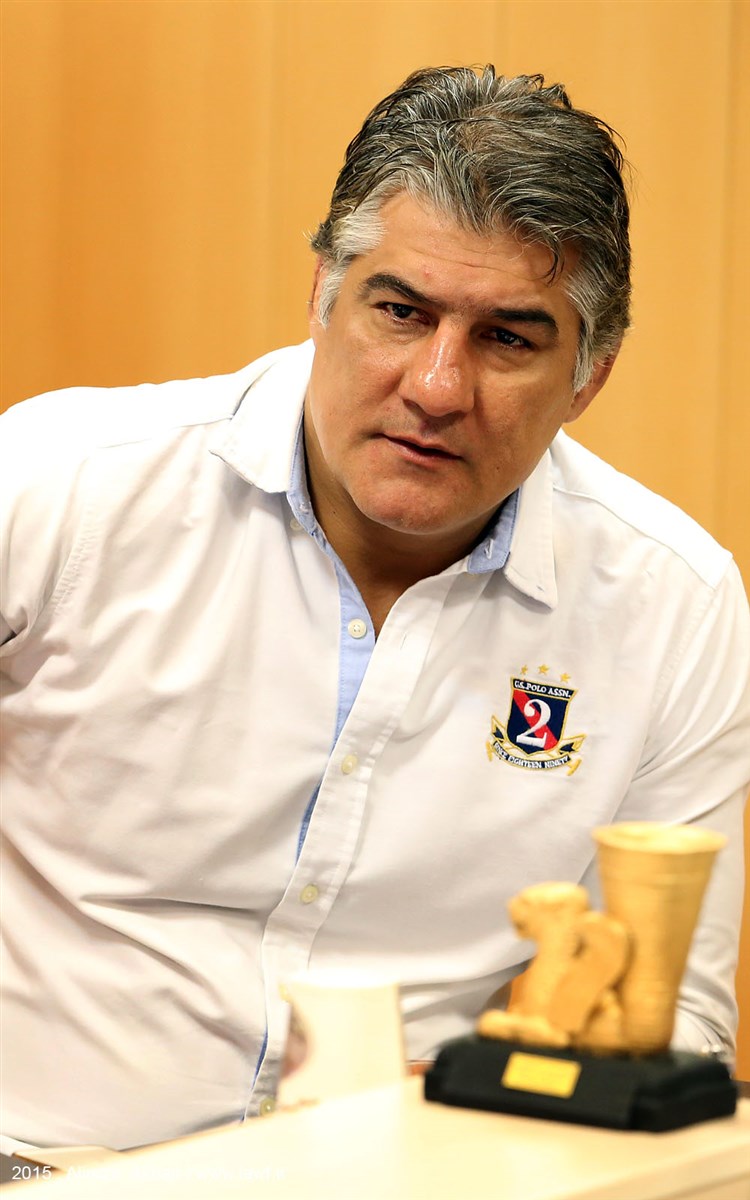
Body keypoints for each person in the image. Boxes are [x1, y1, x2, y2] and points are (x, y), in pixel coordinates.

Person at [1, 65, 748, 1155]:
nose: (438, 387)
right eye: (401, 312)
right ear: (323, 297)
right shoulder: (58, 483)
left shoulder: (671, 602)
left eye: (508, 338)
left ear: (589, 374)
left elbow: (674, 1023)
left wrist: (478, 1103)